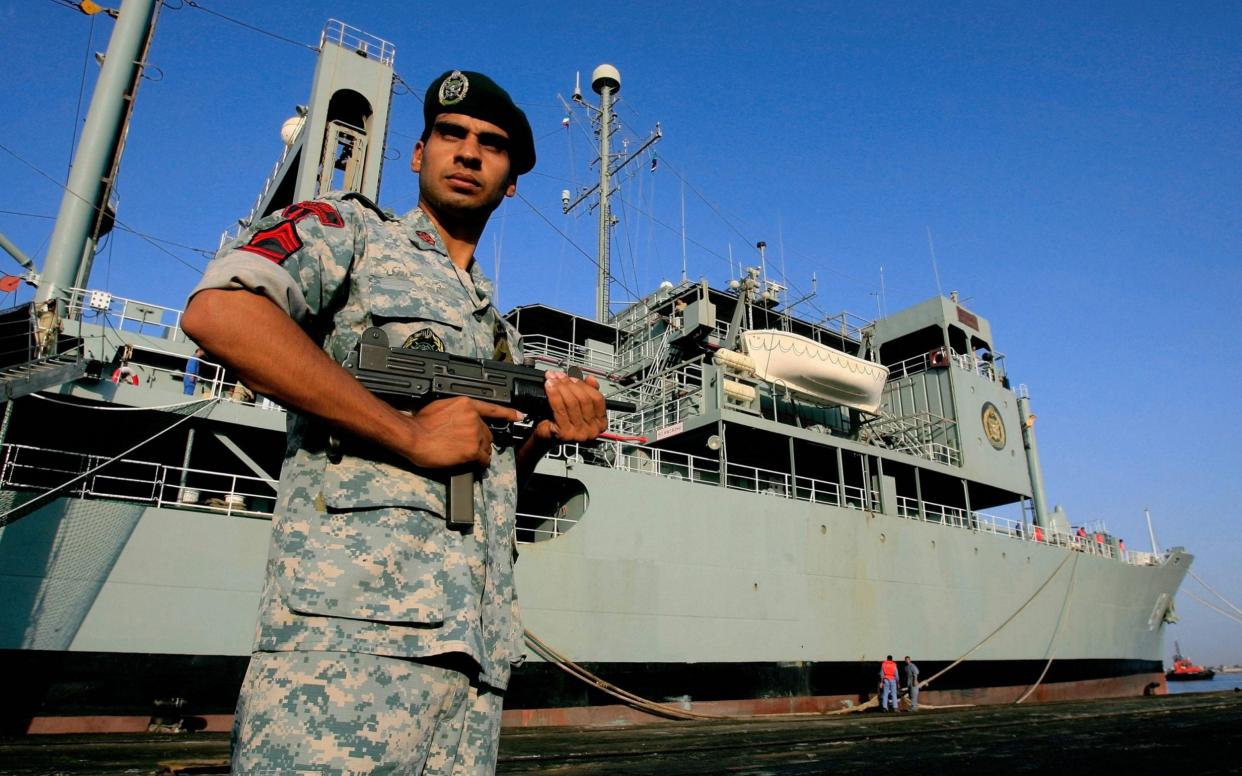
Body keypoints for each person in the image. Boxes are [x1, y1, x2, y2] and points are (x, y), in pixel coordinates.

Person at [181, 69, 608, 775]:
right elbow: (221, 312)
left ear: (511, 184)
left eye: (491, 146)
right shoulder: (349, 233)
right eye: (451, 135)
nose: (468, 152)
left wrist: (538, 440)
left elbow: (472, 482)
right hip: (347, 655)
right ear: (418, 154)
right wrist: (407, 433)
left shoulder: (495, 331)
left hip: (470, 664)